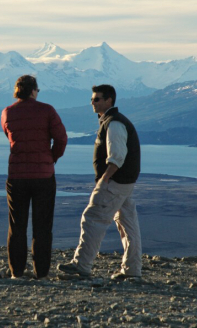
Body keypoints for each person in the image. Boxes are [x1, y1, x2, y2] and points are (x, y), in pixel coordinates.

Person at [58, 84, 142, 279]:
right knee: (128, 225)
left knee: (93, 219)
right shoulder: (112, 121)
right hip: (124, 185)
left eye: (96, 99)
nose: (92, 103)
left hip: (114, 184)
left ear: (109, 101)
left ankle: (82, 265)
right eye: (92, 99)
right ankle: (132, 270)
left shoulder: (114, 123)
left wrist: (104, 180)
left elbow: (117, 157)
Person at [1, 75, 68, 279]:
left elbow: (9, 135)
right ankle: (41, 272)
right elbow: (61, 139)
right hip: (43, 176)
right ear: (33, 91)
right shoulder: (47, 110)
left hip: (17, 176)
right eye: (37, 90)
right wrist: (50, 158)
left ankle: (17, 272)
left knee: (17, 225)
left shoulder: (8, 112)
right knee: (42, 226)